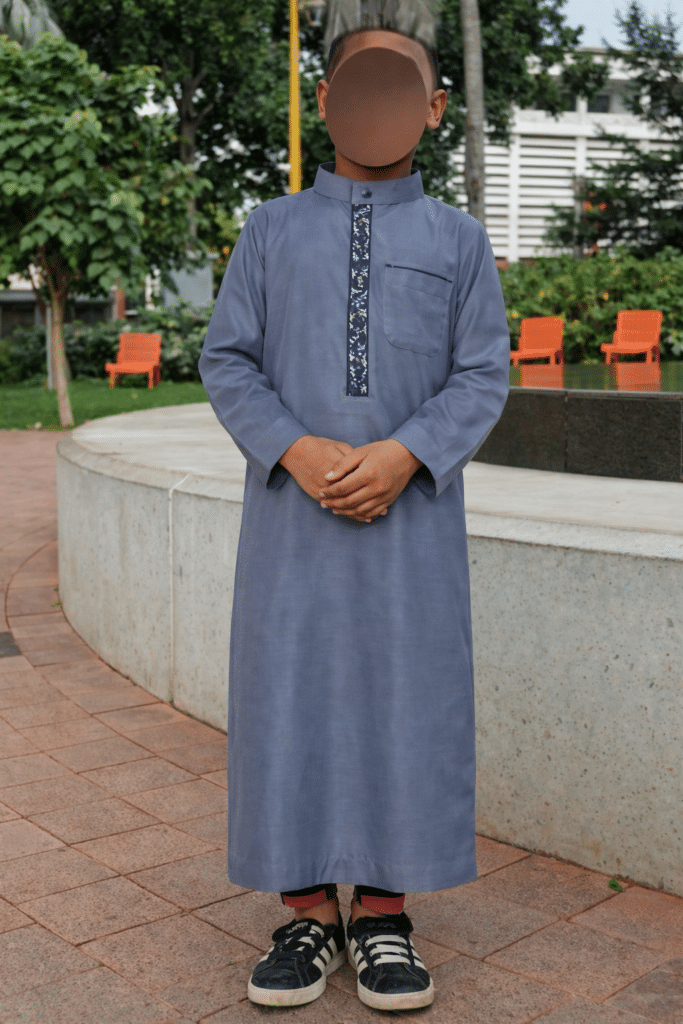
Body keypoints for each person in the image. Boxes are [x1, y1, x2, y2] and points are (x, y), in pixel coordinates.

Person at [198, 22, 510, 1014]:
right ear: (326, 98)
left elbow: (481, 374)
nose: (378, 99)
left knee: (405, 698)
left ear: (433, 108)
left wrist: (405, 453)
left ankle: (381, 916)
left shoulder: (458, 242)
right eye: (358, 79)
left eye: (400, 81)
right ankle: (304, 914)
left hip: (409, 529)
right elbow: (226, 358)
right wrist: (292, 447)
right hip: (290, 526)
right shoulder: (268, 230)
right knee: (286, 694)